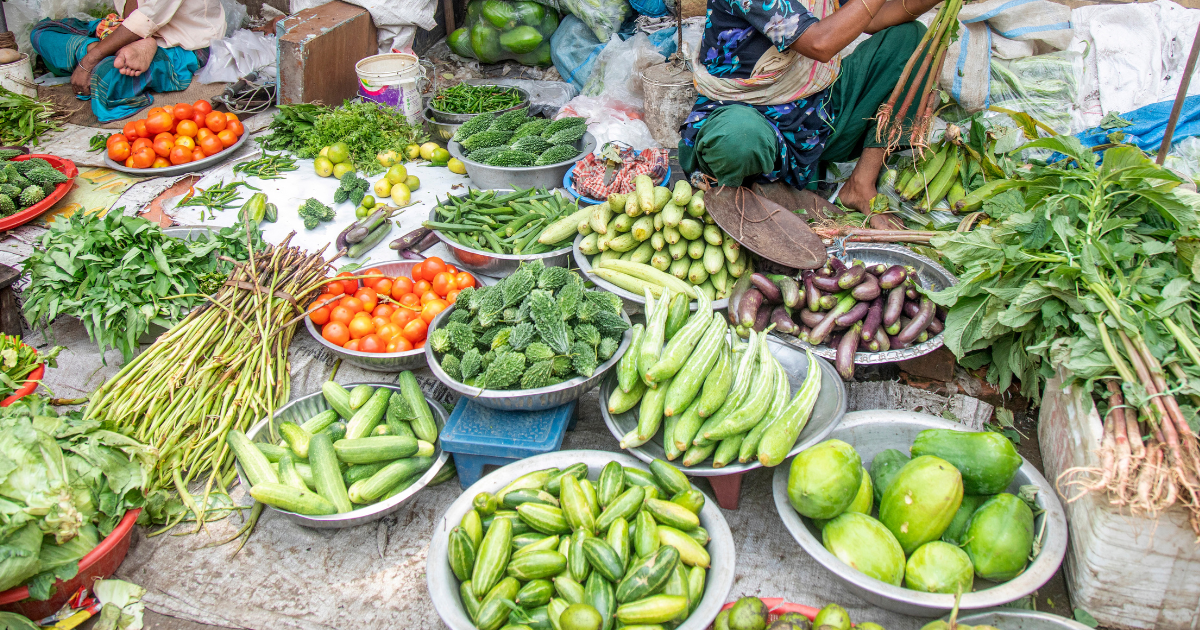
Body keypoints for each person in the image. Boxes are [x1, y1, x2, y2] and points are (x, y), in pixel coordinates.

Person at [678, 0, 943, 213]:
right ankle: (740, 196)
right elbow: (820, 43)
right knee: (739, 139)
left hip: (813, 115)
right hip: (744, 111)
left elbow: (870, 17)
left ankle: (860, 184)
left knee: (912, 38)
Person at [30, 0, 226, 122]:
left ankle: (115, 50)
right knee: (42, 32)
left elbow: (146, 18)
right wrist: (101, 46)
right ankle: (109, 47)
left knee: (106, 76)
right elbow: (131, 17)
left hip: (179, 44)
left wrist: (88, 62)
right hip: (127, 30)